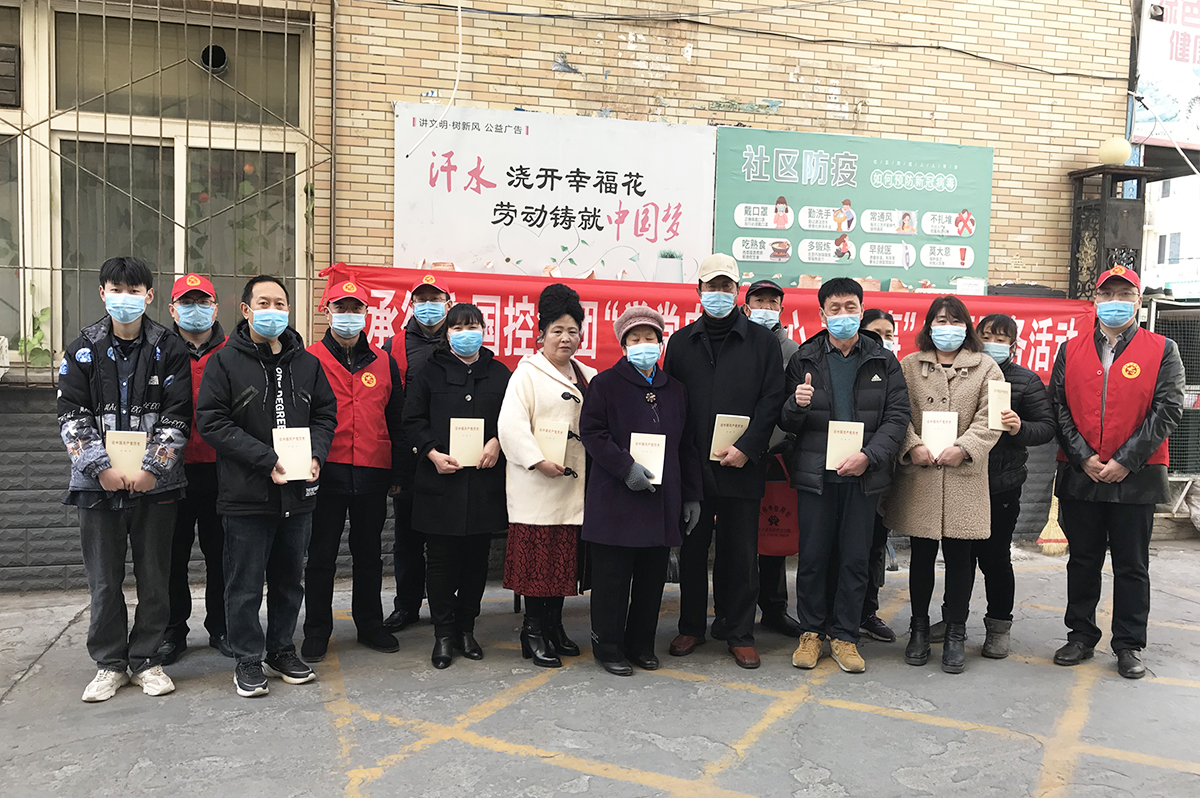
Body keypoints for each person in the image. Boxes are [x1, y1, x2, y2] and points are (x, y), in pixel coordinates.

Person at [196, 275, 338, 698]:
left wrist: (316, 454)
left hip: (297, 493)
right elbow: (211, 421)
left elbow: (325, 414)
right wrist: (266, 459)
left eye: (280, 303)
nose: (273, 311)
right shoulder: (224, 362)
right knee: (243, 584)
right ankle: (247, 658)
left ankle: (281, 649)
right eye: (264, 303)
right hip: (246, 494)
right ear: (245, 310)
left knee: (289, 579)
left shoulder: (307, 364)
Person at [58, 256, 191, 702]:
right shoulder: (82, 349)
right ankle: (110, 664)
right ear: (102, 293)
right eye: (116, 289)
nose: (125, 298)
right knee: (103, 580)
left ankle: (147, 660)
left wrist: (153, 468)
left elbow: (177, 414)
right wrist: (101, 468)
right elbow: (71, 415)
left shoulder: (169, 348)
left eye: (134, 291)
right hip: (97, 486)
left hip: (157, 486)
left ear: (149, 296)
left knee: (155, 577)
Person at [1050, 267, 1184, 679]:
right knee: (1082, 560)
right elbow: (1058, 406)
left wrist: (1126, 460)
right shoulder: (1070, 350)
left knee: (1131, 565)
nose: (1115, 302)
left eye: (1124, 294)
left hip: (1136, 476)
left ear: (1138, 302)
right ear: (1095, 299)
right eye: (1107, 294)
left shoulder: (1163, 349)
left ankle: (1128, 644)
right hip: (1081, 473)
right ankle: (1080, 635)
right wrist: (1083, 457)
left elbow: (1168, 410)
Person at [779, 279, 911, 674]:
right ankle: (811, 632)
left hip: (862, 477)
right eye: (834, 309)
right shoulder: (804, 358)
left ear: (861, 309)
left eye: (850, 307)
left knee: (855, 559)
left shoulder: (882, 360)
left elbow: (897, 417)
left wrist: (869, 456)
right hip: (816, 477)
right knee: (813, 558)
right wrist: (796, 405)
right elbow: (785, 422)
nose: (843, 315)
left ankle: (845, 635)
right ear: (822, 314)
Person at [666, 253, 787, 669]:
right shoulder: (681, 343)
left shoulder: (762, 342)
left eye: (726, 286)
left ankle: (739, 632)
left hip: (742, 466)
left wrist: (748, 447)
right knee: (692, 552)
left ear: (738, 292)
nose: (718, 293)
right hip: (693, 467)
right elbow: (672, 401)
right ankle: (691, 626)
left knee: (741, 555)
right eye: (711, 286)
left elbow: (772, 400)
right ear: (698, 291)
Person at [580, 306, 703, 676]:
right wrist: (625, 468)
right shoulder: (604, 384)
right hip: (615, 499)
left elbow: (687, 445)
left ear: (660, 343)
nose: (643, 344)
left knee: (651, 581)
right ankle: (608, 647)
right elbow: (593, 433)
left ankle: (641, 645)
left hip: (660, 501)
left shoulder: (675, 390)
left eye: (650, 338)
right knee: (612, 581)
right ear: (623, 346)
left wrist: (691, 495)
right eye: (635, 339)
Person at [925, 313, 1055, 659]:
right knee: (959, 558)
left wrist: (1019, 427)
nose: (993, 344)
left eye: (1001, 338)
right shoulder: (963, 373)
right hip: (962, 480)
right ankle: (953, 620)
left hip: (1000, 485)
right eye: (987, 336)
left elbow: (1046, 427)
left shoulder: (1025, 380)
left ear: (1013, 344)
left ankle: (999, 626)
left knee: (995, 558)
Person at [885, 296, 1003, 674]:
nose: (947, 327)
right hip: (920, 474)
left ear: (966, 326)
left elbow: (992, 418)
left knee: (959, 559)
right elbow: (896, 412)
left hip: (964, 477)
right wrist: (911, 445)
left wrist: (965, 448)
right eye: (940, 320)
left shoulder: (987, 367)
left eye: (954, 321)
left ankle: (955, 632)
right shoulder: (908, 365)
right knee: (920, 556)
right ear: (928, 326)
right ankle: (919, 629)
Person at [302, 280, 406, 662]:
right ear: (327, 312)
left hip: (372, 469)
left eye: (356, 309)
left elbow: (396, 418)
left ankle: (370, 624)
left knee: (369, 553)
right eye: (341, 308)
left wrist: (399, 473)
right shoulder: (309, 359)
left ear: (366, 313)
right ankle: (317, 629)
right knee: (321, 555)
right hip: (324, 469)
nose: (349, 315)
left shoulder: (383, 361)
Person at [403, 303, 511, 669]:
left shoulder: (500, 373)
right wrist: (431, 452)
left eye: (473, 326)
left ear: (484, 330)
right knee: (441, 563)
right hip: (440, 484)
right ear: (447, 334)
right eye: (459, 328)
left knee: (476, 563)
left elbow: (513, 420)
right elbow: (411, 420)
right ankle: (444, 634)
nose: (467, 334)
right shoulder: (428, 372)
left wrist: (497, 442)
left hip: (483, 484)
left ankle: (467, 629)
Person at [498, 285, 597, 668]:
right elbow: (510, 426)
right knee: (538, 567)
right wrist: (537, 460)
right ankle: (533, 631)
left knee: (561, 566)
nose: (565, 338)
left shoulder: (587, 374)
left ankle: (554, 627)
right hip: (538, 488)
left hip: (573, 489)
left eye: (572, 331)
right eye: (557, 330)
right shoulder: (526, 375)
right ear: (541, 334)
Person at [160, 274, 231, 666]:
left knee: (223, 554)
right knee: (172, 556)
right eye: (187, 303)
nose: (196, 310)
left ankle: (221, 626)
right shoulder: (160, 349)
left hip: (223, 469)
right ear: (172, 310)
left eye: (203, 302)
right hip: (171, 470)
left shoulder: (233, 349)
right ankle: (173, 630)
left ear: (215, 308)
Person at [383, 273, 453, 633]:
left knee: (448, 539)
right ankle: (406, 606)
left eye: (435, 299)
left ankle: (448, 609)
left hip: (453, 457)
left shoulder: (460, 339)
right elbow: (390, 410)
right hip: (410, 458)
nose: (428, 306)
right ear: (411, 305)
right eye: (422, 300)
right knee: (407, 540)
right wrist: (396, 471)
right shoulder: (393, 346)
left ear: (449, 303)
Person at [739, 279, 802, 638]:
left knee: (774, 530)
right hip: (736, 450)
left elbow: (796, 403)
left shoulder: (792, 351)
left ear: (781, 309)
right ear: (746, 306)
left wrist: (786, 442)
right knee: (739, 537)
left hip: (776, 453)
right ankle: (736, 611)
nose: (765, 308)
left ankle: (774, 608)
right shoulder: (737, 341)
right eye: (759, 301)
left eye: (772, 302)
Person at [855, 308, 901, 643]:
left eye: (888, 334)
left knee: (874, 547)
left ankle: (867, 612)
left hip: (881, 472)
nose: (882, 340)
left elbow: (899, 417)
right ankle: (832, 614)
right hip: (843, 467)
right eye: (876, 333)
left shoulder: (895, 369)